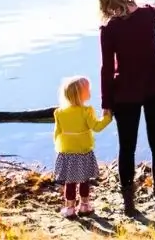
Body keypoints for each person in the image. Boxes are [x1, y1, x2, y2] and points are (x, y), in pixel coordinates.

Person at [98, 0, 155, 217]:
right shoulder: (147, 14)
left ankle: (129, 205)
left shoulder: (109, 28)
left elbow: (106, 68)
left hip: (125, 93)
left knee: (127, 148)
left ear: (105, 2)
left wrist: (106, 103)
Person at [53, 76, 112, 218]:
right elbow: (96, 127)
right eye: (87, 89)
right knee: (84, 180)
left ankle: (69, 208)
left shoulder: (59, 112)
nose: (90, 91)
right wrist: (107, 117)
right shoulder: (87, 111)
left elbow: (57, 133)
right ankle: (84, 206)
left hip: (67, 153)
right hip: (84, 152)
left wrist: (60, 149)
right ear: (80, 94)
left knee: (70, 182)